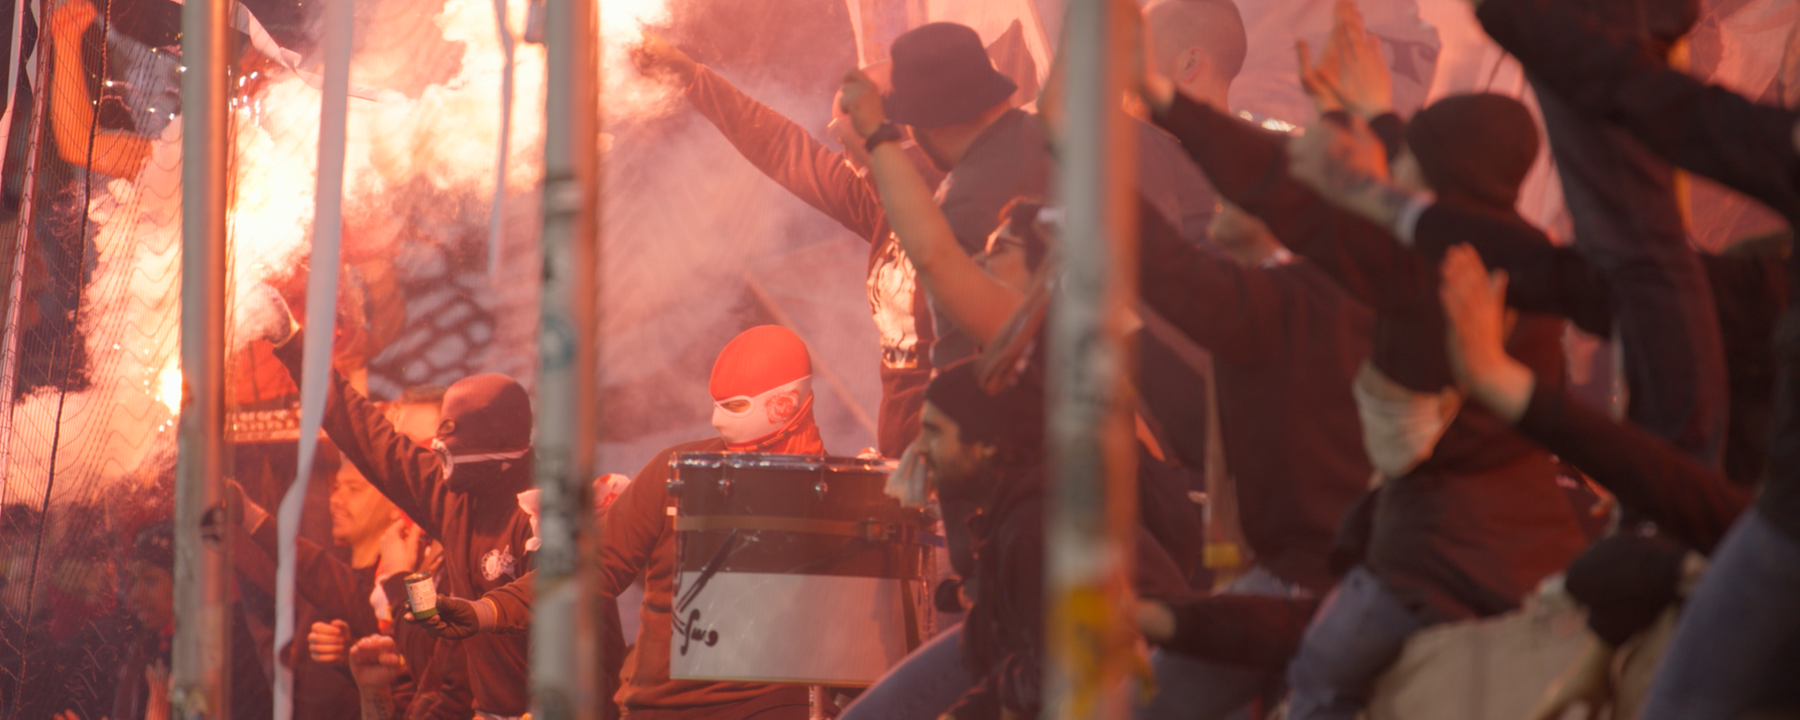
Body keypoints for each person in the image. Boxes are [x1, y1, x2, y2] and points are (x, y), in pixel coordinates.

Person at [1128, 7, 1593, 720]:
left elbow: (1238, 244)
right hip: (1509, 551)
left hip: (1426, 561)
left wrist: (1119, 167)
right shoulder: (1521, 259)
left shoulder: (1404, 271)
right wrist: (1369, 113)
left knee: (1316, 676)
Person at [418, 325, 827, 720]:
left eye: (735, 405)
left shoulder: (834, 493)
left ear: (785, 402)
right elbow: (592, 563)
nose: (718, 420)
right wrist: (488, 611)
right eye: (716, 403)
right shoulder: (676, 473)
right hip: (660, 709)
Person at [262, 304, 537, 719]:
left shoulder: (538, 521)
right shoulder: (450, 505)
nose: (429, 458)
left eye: (431, 445)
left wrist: (400, 583)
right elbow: (362, 432)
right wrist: (291, 342)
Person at [916, 360, 1190, 720]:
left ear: (985, 445)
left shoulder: (1034, 529)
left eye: (934, 432)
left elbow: (1063, 680)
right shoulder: (1020, 515)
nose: (920, 448)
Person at [54, 522, 273, 720]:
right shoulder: (135, 642)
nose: (136, 594)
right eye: (134, 580)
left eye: (150, 581)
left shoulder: (226, 648)